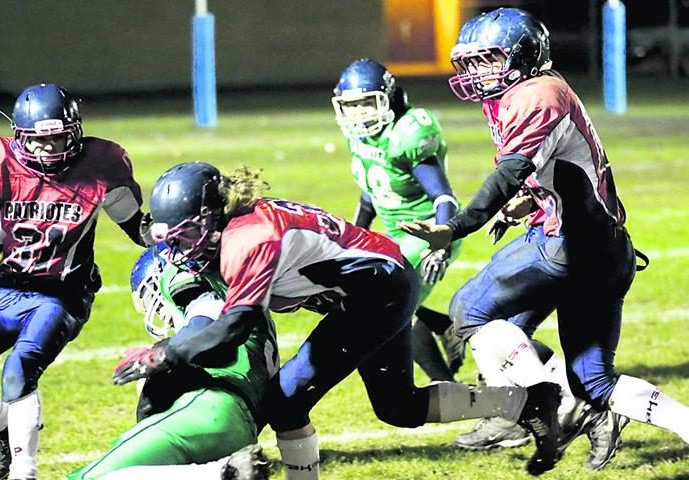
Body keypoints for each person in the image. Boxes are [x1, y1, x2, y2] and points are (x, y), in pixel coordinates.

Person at [132, 160, 564, 479]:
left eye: (187, 234)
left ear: (212, 217)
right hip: (378, 284)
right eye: (169, 238)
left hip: (377, 293)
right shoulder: (240, 223)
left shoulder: (248, 238)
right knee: (399, 407)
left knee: (285, 401)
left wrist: (167, 354)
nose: (181, 248)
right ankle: (524, 401)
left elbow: (237, 326)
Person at [399, 7, 689, 474]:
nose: (477, 72)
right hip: (603, 249)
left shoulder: (536, 94)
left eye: (488, 60)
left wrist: (458, 225)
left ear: (524, 54)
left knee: (468, 310)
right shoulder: (535, 91)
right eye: (471, 62)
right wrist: (531, 204)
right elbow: (565, 174)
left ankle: (534, 409)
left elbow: (510, 172)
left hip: (564, 249)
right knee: (592, 381)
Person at [0, 84, 152, 480]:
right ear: (20, 137)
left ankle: (23, 471)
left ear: (75, 131)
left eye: (58, 137)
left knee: (19, 369)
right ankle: (2, 430)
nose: (49, 148)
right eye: (39, 140)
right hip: (8, 290)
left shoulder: (102, 165)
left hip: (64, 294)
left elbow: (138, 228)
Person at [67, 244, 273, 480]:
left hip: (207, 408)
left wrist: (162, 355)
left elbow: (204, 321)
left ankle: (223, 473)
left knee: (83, 478)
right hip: (242, 430)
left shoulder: (189, 283)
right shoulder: (244, 302)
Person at [332, 58, 465, 381]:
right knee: (378, 297)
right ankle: (449, 328)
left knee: (390, 307)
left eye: (367, 103)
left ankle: (445, 383)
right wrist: (352, 238)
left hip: (429, 229)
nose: (360, 113)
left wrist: (440, 244)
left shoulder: (406, 133)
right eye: (352, 106)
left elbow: (443, 197)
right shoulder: (362, 138)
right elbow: (370, 193)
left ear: (387, 98)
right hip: (397, 237)